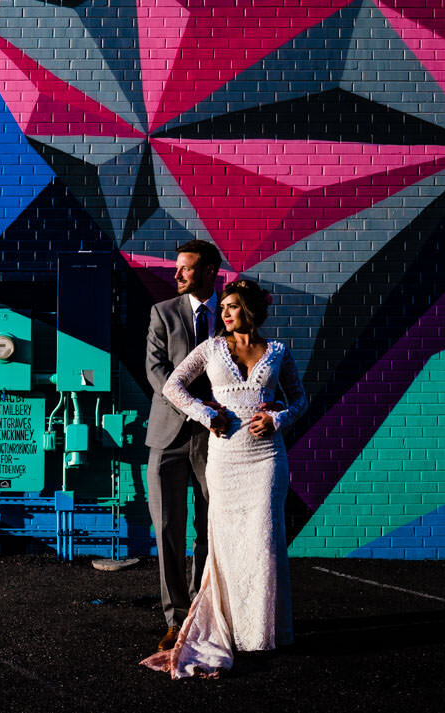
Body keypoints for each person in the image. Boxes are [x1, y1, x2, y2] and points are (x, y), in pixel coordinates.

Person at [141, 278, 308, 679]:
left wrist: (278, 417)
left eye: (232, 306)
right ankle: (229, 627)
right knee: (226, 540)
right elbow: (172, 384)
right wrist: (204, 413)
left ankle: (262, 630)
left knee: (264, 539)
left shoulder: (278, 351)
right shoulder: (212, 348)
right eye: (225, 307)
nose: (226, 313)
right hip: (225, 458)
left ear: (248, 309)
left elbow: (300, 399)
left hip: (267, 458)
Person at [144, 238, 223, 650]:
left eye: (186, 268)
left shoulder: (230, 315)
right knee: (169, 531)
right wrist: (197, 408)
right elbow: (156, 371)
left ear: (210, 271)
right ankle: (176, 619)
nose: (176, 275)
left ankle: (202, 611)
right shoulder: (163, 313)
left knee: (210, 529)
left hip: (216, 439)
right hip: (168, 437)